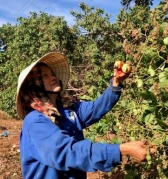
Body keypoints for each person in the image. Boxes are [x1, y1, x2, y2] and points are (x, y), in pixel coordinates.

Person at [16, 52, 147, 179]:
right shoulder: (35, 122)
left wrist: (116, 83)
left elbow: (95, 108)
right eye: (44, 76)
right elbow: (68, 152)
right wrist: (121, 150)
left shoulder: (68, 111)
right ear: (34, 85)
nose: (53, 77)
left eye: (52, 73)